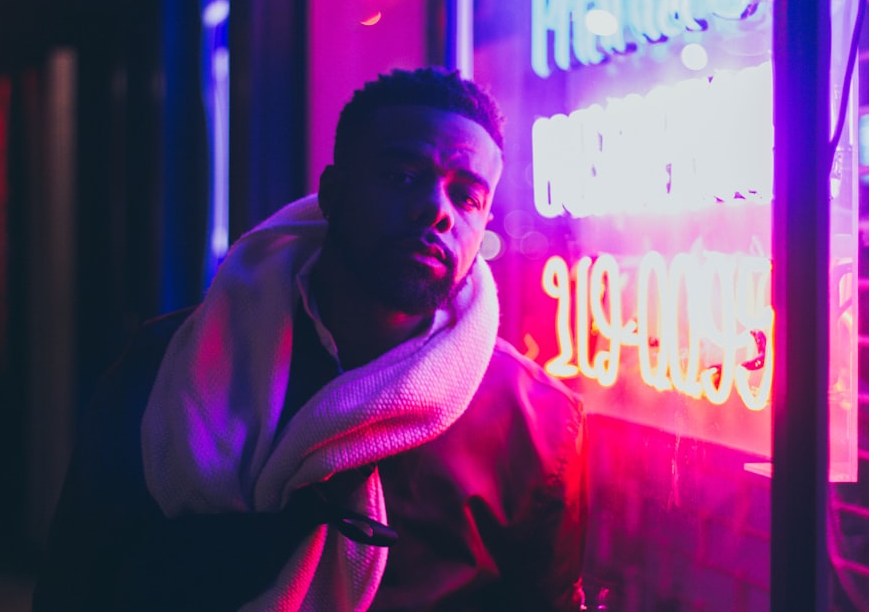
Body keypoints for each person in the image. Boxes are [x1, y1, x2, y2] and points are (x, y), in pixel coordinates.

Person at [33, 67, 588, 611]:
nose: (436, 211)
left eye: (466, 196)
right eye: (401, 176)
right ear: (332, 193)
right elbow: (77, 580)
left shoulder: (534, 423)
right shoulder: (167, 364)